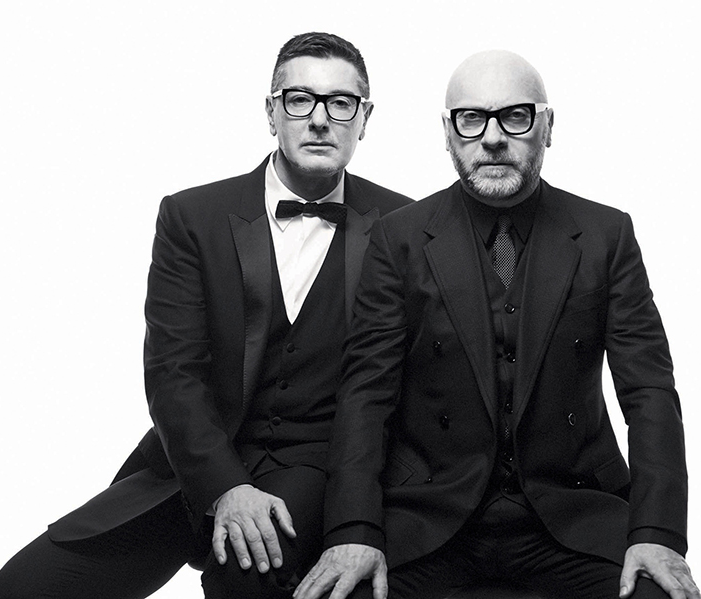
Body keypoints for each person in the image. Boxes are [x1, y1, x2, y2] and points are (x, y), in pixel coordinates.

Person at [0, 32, 412, 599]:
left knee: (245, 579)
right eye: (300, 100)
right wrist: (225, 487)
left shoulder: (402, 226)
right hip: (190, 469)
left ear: (365, 118)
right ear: (271, 112)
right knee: (18, 590)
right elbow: (172, 372)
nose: (319, 120)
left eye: (341, 103)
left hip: (314, 472)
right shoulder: (192, 215)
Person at [294, 50, 698, 599]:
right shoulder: (399, 238)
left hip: (573, 512)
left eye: (514, 116)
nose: (491, 138)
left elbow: (649, 390)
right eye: (471, 118)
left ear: (547, 126)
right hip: (430, 515)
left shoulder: (606, 235)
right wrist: (353, 530)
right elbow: (366, 394)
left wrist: (657, 534)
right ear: (447, 133)